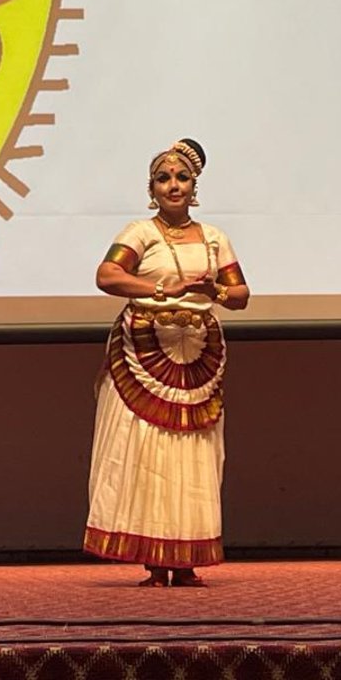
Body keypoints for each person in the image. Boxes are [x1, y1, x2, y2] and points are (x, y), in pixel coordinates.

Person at [84, 138, 250, 587]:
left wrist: (214, 291)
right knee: (148, 453)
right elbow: (107, 276)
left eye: (182, 177)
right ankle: (155, 561)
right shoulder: (139, 233)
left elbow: (240, 295)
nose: (173, 185)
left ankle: (187, 558)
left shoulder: (214, 239)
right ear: (151, 188)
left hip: (196, 355)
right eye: (163, 178)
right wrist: (161, 291)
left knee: (192, 455)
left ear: (194, 186)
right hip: (144, 351)